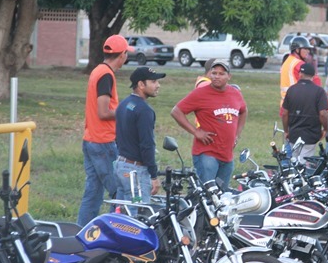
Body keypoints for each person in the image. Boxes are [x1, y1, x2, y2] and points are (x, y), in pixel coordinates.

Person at [77, 34, 134, 226]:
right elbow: (103, 112)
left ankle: (82, 232)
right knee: (118, 191)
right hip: (103, 142)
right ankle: (113, 232)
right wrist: (125, 110)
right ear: (122, 55)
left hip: (91, 139)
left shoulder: (98, 70)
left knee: (93, 191)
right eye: (127, 53)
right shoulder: (106, 75)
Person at [171, 59, 247, 191]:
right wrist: (196, 132)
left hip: (227, 155)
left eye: (221, 73)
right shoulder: (200, 93)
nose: (217, 76)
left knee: (222, 193)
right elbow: (176, 111)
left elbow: (243, 111)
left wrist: (237, 134)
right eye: (214, 73)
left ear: (229, 76)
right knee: (207, 194)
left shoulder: (235, 94)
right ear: (209, 75)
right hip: (207, 153)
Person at [115, 67, 165, 204]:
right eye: (153, 82)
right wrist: (154, 176)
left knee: (120, 214)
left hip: (121, 166)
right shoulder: (144, 110)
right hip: (136, 172)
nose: (158, 85)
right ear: (141, 85)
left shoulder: (124, 104)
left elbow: (117, 137)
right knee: (138, 215)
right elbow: (147, 144)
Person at [281, 63, 328, 163]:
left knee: (294, 161)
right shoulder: (319, 91)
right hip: (311, 135)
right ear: (313, 75)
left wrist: (286, 130)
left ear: (300, 74)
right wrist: (325, 129)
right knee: (304, 164)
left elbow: (285, 113)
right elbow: (323, 113)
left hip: (294, 133)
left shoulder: (292, 90)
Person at [280, 36, 321, 112]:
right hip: (296, 105)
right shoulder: (298, 64)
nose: (308, 51)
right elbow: (316, 81)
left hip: (285, 105)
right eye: (305, 48)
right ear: (297, 50)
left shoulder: (288, 61)